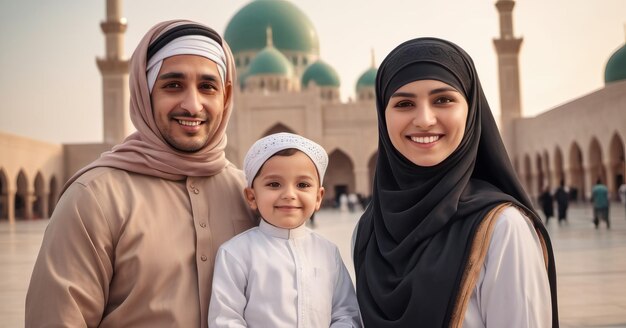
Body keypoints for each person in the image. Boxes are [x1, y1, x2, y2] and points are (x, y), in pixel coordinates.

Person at [25, 20, 257, 327]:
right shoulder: (96, 197)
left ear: (226, 97)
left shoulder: (249, 193)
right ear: (144, 92)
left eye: (207, 86)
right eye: (173, 85)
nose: (192, 105)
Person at [352, 37, 559, 327]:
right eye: (404, 103)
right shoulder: (370, 229)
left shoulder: (501, 227)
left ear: (471, 109)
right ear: (382, 116)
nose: (424, 119)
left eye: (443, 100)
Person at [208, 132, 361, 327]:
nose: (289, 194)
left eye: (302, 185)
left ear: (318, 197)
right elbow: (226, 319)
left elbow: (345, 312)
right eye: (274, 184)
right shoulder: (236, 253)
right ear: (252, 197)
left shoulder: (328, 252)